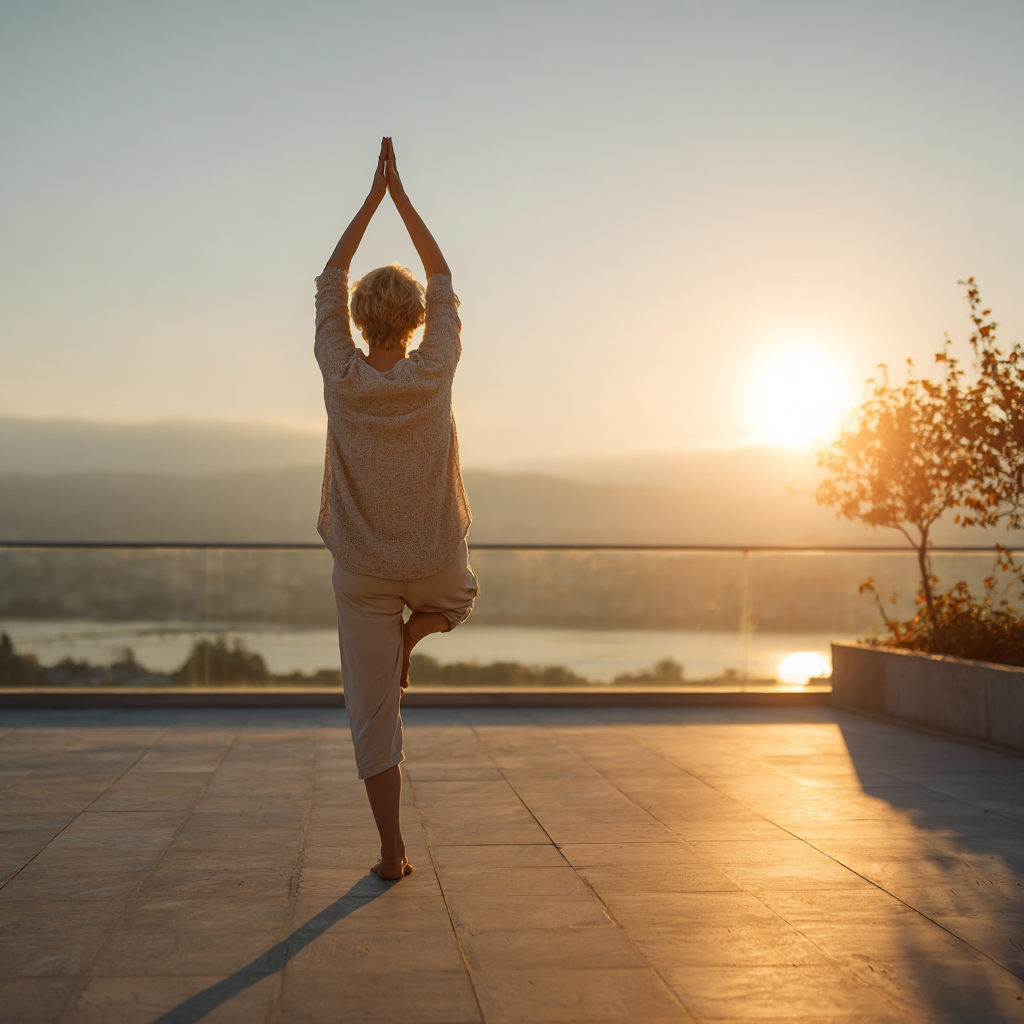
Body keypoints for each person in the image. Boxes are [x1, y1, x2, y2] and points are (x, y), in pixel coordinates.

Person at [315, 137, 478, 880]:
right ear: (415, 321)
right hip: (433, 560)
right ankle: (418, 632)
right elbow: (442, 274)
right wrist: (402, 198)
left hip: (363, 569)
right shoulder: (434, 368)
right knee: (463, 596)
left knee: (374, 714)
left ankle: (392, 853)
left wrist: (369, 199)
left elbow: (329, 276)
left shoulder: (341, 372)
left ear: (355, 318)